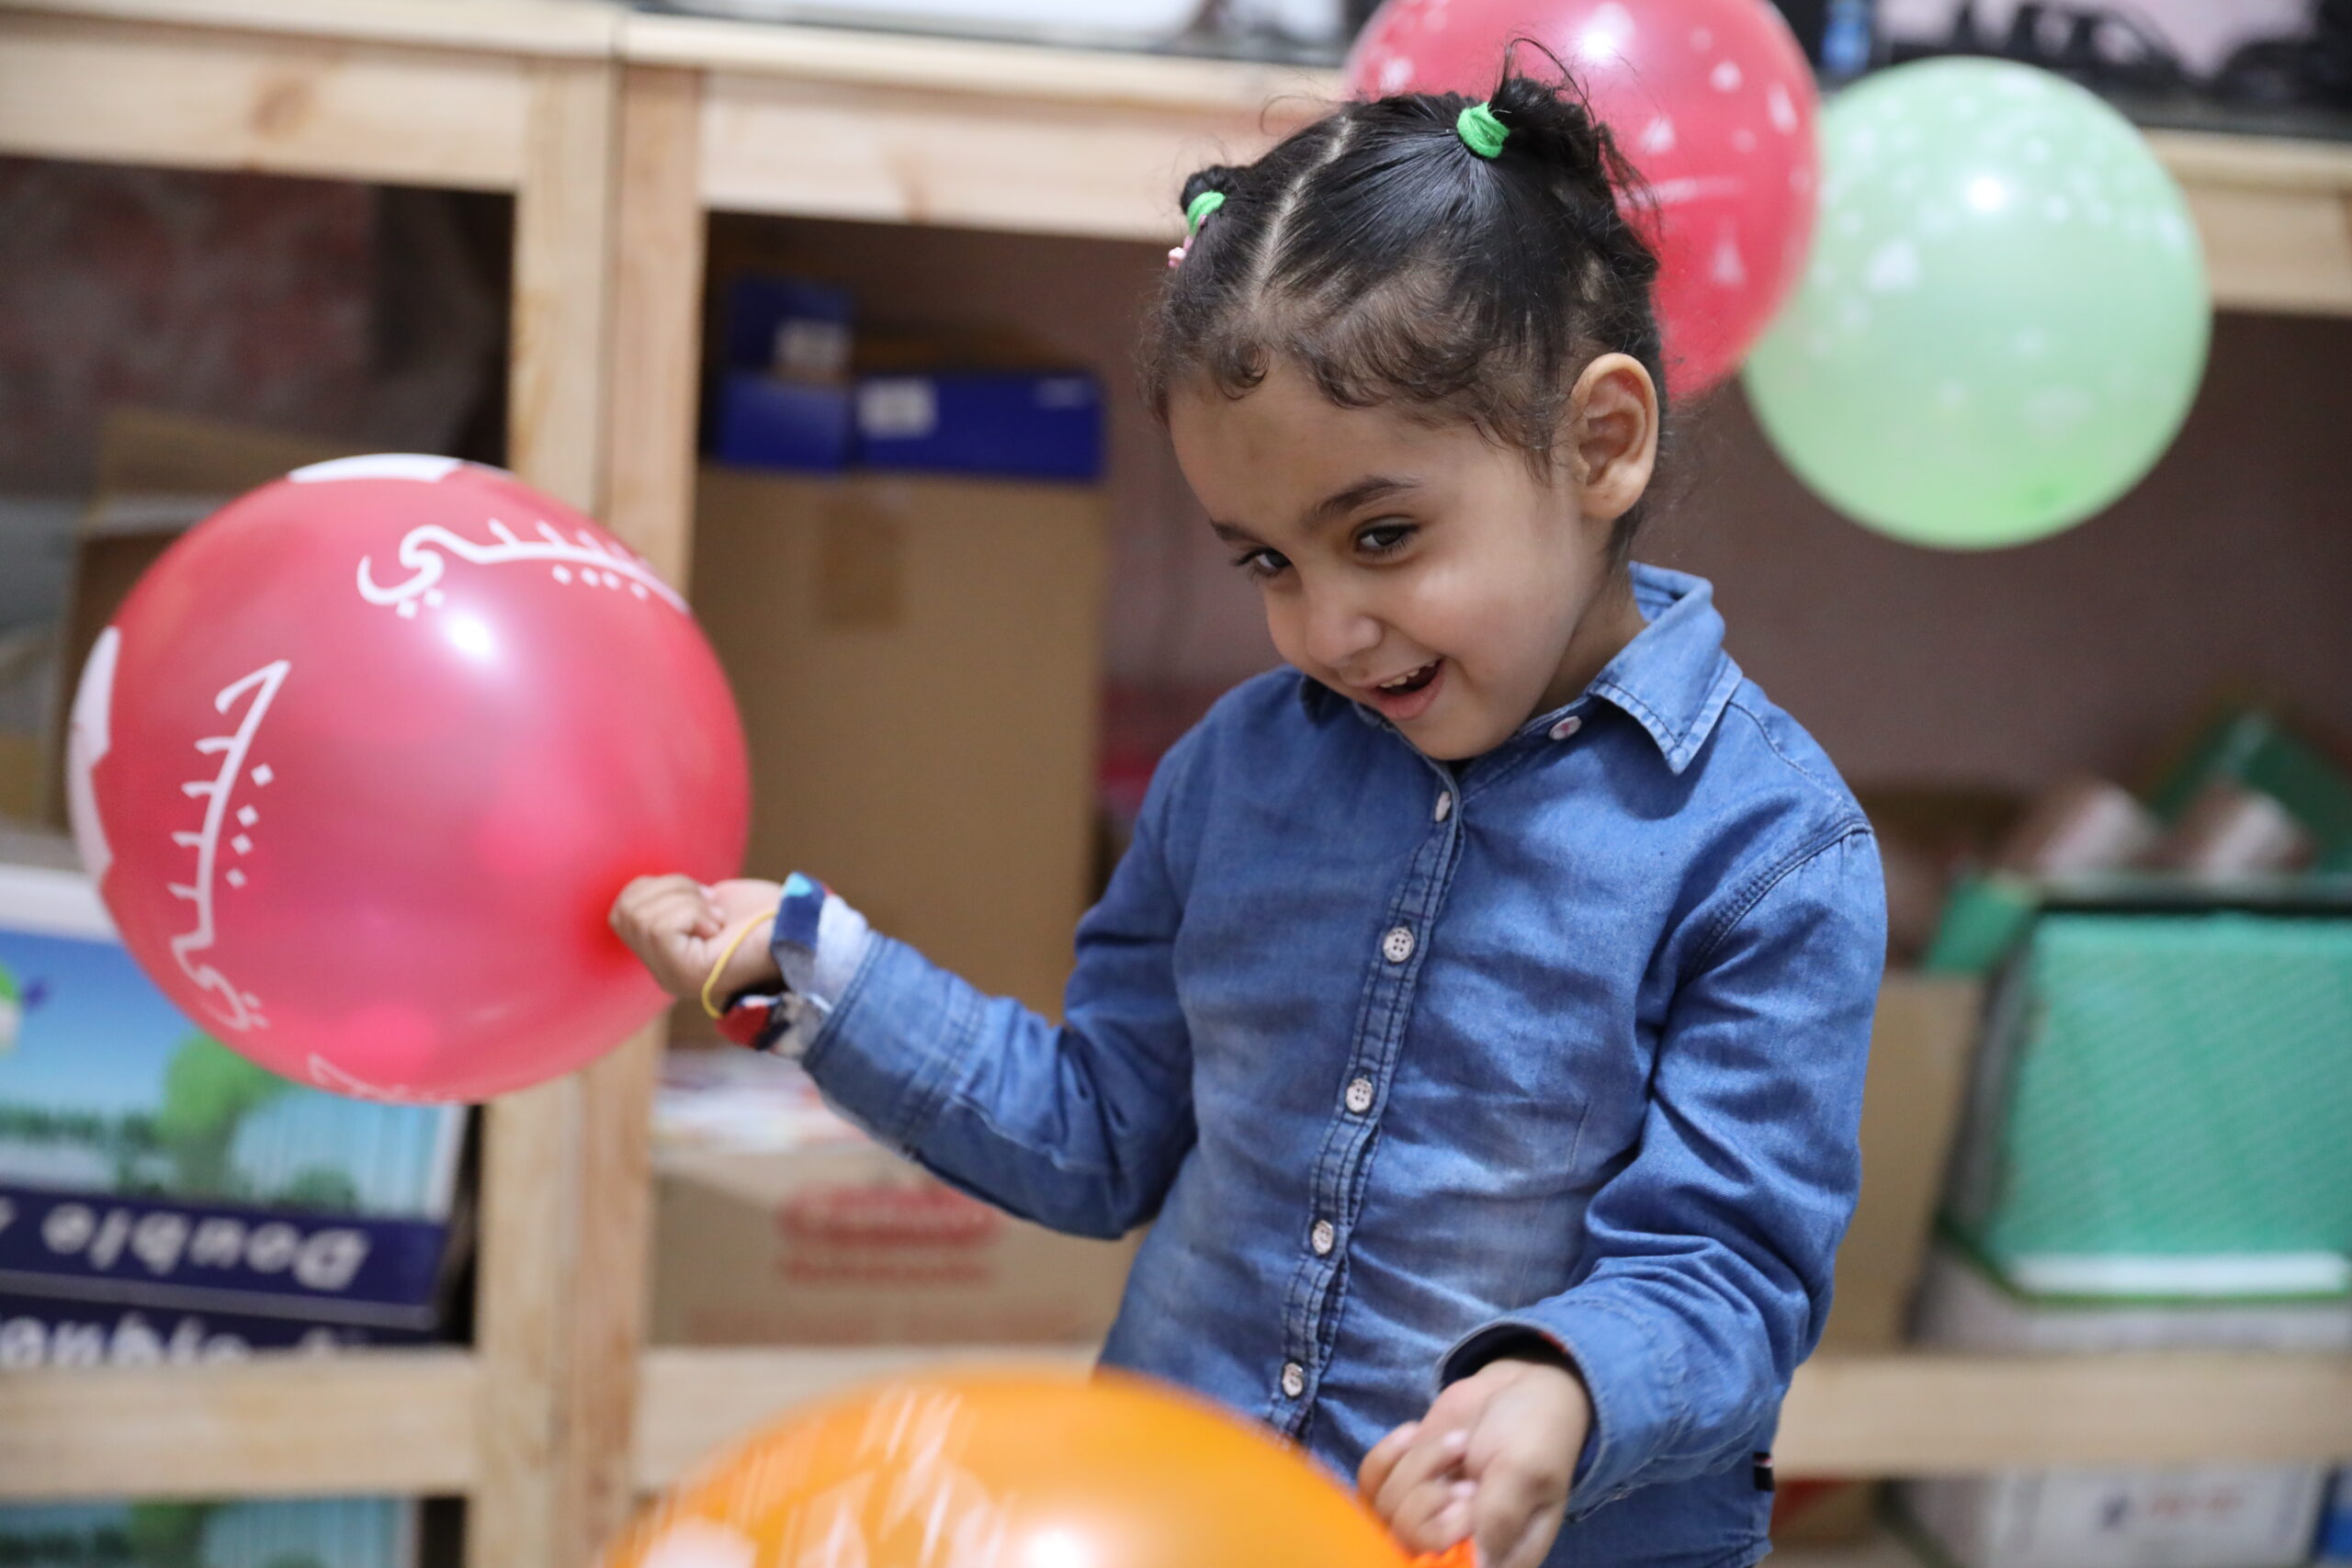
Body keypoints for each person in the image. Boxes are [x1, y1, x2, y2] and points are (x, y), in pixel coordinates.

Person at [612, 67, 1885, 1568]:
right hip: (1192, 1519)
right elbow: (1101, 1136)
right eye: (1266, 564)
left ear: (1603, 444)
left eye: (1383, 537)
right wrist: (805, 974)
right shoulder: (1237, 772)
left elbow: (1726, 1279)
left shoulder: (1771, 852)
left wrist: (1559, 1389)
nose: (1326, 629)